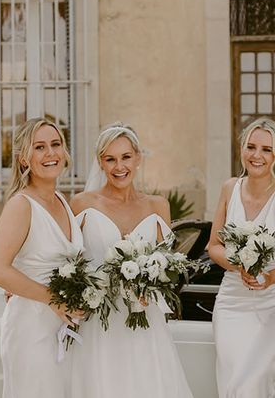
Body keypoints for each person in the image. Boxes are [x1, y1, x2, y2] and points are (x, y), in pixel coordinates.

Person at [69, 123, 194, 398]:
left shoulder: (158, 205)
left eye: (125, 157)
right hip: (99, 324)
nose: (119, 166)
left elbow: (168, 266)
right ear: (100, 162)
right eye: (110, 159)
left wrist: (153, 286)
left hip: (144, 321)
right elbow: (65, 260)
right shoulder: (81, 204)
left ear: (138, 157)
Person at [208, 117, 275, 398]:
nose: (257, 155)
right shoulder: (229, 188)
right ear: (241, 149)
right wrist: (238, 264)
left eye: (266, 149)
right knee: (232, 382)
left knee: (255, 379)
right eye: (251, 147)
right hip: (233, 301)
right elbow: (214, 246)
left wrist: (270, 277)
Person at [0, 118, 83, 398]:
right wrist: (53, 298)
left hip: (64, 329)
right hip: (32, 328)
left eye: (56, 144)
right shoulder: (21, 205)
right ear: (24, 159)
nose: (50, 153)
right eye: (39, 147)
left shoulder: (63, 202)